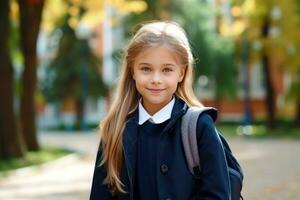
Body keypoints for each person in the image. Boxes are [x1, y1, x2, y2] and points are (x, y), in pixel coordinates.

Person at [90, 21, 230, 200]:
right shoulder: (115, 130)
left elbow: (217, 195)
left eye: (167, 70)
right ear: (132, 70)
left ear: (181, 73)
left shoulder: (199, 127)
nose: (156, 79)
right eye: (146, 69)